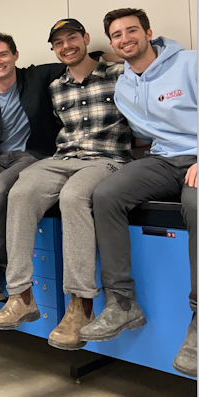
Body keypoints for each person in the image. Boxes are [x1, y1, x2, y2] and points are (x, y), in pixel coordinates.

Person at [0, 20, 131, 350]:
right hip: (63, 158)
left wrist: (109, 55)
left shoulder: (117, 74)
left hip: (106, 158)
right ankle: (21, 295)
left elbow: (144, 60)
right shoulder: (56, 87)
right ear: (54, 49)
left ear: (85, 39)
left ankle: (80, 306)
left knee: (73, 197)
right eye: (58, 42)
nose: (66, 45)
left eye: (72, 38)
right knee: (21, 191)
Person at [80, 8, 197, 378]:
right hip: (164, 159)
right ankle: (122, 303)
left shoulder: (190, 64)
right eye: (117, 35)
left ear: (149, 32)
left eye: (132, 30)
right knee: (106, 194)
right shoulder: (124, 85)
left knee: (195, 203)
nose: (125, 38)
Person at [0, 33, 99, 309]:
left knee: (3, 187)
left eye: (3, 54)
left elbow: (86, 59)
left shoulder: (37, 77)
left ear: (15, 55)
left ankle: (1, 268)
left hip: (32, 154)